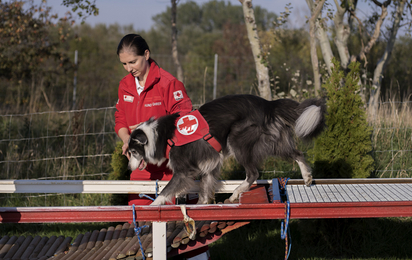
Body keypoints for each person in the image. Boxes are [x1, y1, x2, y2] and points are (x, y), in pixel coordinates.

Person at [114, 34, 211, 260]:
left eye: (133, 62)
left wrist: (154, 141)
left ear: (146, 55)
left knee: (180, 224)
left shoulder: (169, 83)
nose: (129, 68)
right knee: (137, 223)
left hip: (170, 169)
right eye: (124, 64)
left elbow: (187, 124)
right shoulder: (125, 85)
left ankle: (197, 257)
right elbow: (120, 119)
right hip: (141, 170)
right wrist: (126, 139)